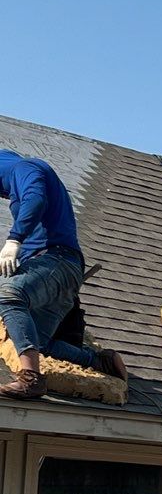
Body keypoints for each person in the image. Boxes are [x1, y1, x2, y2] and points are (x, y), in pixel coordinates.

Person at [0, 151, 127, 400]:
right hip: (64, 270)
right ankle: (100, 361)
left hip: (54, 260)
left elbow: (34, 199)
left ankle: (31, 380)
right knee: (39, 342)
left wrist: (14, 239)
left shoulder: (25, 169)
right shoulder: (26, 174)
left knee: (8, 295)